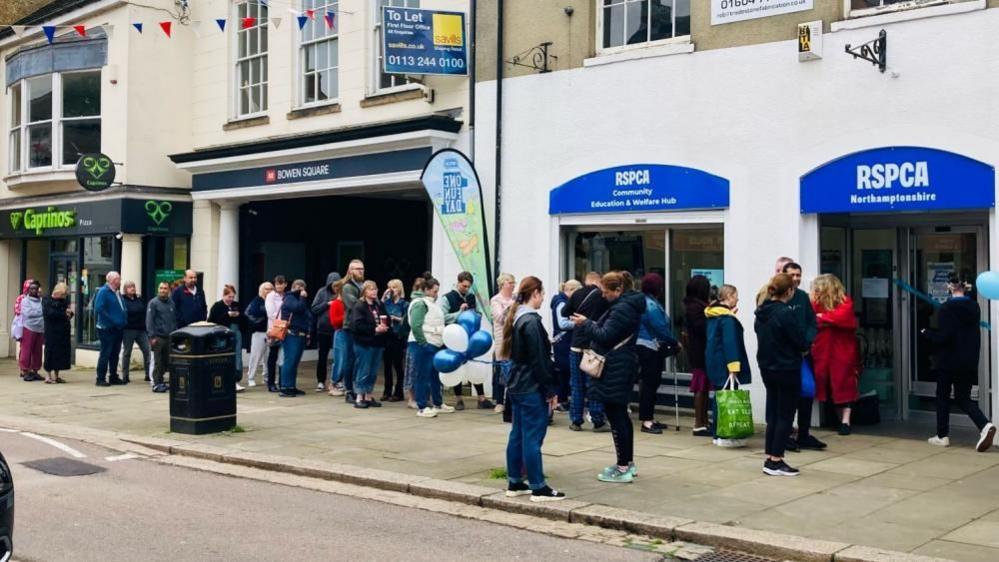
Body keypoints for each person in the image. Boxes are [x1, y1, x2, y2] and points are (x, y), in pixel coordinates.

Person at [571, 272, 645, 483]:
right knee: (620, 414)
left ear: (618, 290)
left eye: (605, 292)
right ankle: (627, 463)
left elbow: (605, 335)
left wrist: (586, 324)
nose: (603, 296)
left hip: (615, 367)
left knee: (616, 416)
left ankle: (623, 467)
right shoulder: (627, 306)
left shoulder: (623, 309)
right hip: (620, 365)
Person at [503, 276, 566, 502]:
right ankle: (538, 487)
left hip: (518, 385)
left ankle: (515, 481)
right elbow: (540, 360)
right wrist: (550, 390)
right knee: (532, 436)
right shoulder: (531, 322)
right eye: (542, 294)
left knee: (518, 434)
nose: (543, 298)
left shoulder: (519, 319)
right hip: (531, 386)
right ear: (536, 293)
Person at [923, 274, 995, 451]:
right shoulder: (974, 306)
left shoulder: (947, 308)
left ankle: (942, 435)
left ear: (950, 287)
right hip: (969, 360)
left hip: (948, 360)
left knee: (942, 396)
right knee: (963, 397)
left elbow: (944, 338)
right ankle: (984, 425)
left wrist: (927, 333)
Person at [755, 274, 810, 477]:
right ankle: (776, 460)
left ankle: (771, 455)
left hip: (767, 366)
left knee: (775, 413)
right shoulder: (785, 313)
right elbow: (800, 341)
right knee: (785, 414)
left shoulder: (762, 312)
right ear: (789, 291)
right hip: (786, 367)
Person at [810, 274, 861, 436]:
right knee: (825, 382)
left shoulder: (845, 302)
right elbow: (814, 319)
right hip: (823, 349)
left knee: (843, 383)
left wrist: (823, 318)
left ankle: (845, 421)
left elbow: (842, 318)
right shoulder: (815, 302)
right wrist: (827, 320)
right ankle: (838, 419)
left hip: (841, 350)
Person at [782, 261, 822, 452]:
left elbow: (811, 323)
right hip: (785, 356)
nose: (796, 278)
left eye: (798, 275)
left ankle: (803, 434)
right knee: (787, 396)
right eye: (792, 275)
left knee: (807, 391)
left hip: (803, 354)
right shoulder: (775, 298)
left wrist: (806, 343)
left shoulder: (803, 297)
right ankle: (786, 435)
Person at [705, 285, 752, 447]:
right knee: (726, 399)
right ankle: (725, 434)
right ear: (729, 296)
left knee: (720, 398)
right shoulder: (727, 319)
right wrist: (734, 368)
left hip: (715, 362)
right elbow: (730, 343)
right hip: (726, 364)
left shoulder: (714, 316)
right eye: (736, 296)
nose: (737, 299)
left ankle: (717, 434)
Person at [562, 272, 610, 432]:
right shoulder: (603, 296)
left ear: (586, 281)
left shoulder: (577, 294)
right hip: (593, 345)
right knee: (594, 383)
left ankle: (576, 420)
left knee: (576, 384)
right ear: (598, 281)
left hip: (576, 344)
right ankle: (597, 420)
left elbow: (564, 312)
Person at [440, 271, 494, 410]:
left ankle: (481, 398)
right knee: (457, 365)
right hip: (454, 337)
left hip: (470, 336)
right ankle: (459, 399)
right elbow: (443, 317)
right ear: (458, 282)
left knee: (474, 364)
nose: (466, 289)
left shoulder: (471, 297)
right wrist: (459, 312)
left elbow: (474, 314)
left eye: (468, 286)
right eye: (464, 286)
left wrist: (477, 315)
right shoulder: (447, 298)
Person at [636, 273, 679, 435]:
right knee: (650, 384)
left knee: (649, 384)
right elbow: (660, 326)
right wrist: (674, 341)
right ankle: (646, 421)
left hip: (645, 346)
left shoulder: (644, 301)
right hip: (650, 347)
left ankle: (649, 418)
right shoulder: (650, 305)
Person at [408, 275, 454, 417]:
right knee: (422, 374)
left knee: (435, 375)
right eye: (434, 291)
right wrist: (423, 343)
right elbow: (416, 325)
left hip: (434, 343)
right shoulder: (419, 303)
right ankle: (422, 406)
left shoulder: (432, 305)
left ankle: (438, 402)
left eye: (437, 291)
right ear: (426, 290)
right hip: (422, 343)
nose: (436, 294)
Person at [349, 280, 389, 409]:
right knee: (364, 369)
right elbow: (356, 325)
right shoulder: (359, 305)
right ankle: (359, 396)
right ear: (364, 291)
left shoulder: (379, 304)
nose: (374, 291)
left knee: (373, 370)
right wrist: (374, 328)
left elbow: (386, 317)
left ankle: (368, 395)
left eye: (375, 289)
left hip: (377, 342)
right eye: (371, 289)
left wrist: (385, 325)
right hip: (364, 342)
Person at [684, 275, 713, 436]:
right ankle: (698, 423)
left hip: (699, 351)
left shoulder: (695, 305)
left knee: (703, 387)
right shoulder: (696, 308)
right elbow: (700, 327)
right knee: (700, 387)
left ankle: (704, 421)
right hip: (699, 352)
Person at [550, 279, 581, 413]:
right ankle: (561, 401)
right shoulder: (561, 303)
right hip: (563, 343)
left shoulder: (562, 301)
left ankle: (562, 400)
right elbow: (563, 324)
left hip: (563, 342)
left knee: (564, 372)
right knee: (563, 372)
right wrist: (579, 323)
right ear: (571, 290)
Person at [209, 284, 247, 393]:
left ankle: (235, 380)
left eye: (232, 297)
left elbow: (244, 321)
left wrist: (238, 315)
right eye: (229, 297)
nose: (231, 299)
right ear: (224, 296)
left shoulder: (237, 305)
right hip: (221, 335)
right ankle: (221, 379)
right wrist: (227, 315)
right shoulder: (217, 306)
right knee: (222, 356)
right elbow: (212, 321)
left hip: (236, 335)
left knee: (237, 356)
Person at [278, 279, 312, 397]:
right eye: (298, 287)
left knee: (295, 362)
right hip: (291, 334)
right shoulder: (289, 298)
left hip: (300, 334)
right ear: (293, 287)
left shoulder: (298, 299)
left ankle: (291, 386)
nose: (300, 290)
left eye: (302, 288)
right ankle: (285, 387)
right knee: (290, 360)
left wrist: (308, 332)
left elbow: (307, 315)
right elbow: (299, 309)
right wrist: (303, 298)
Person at [339, 260, 365, 403]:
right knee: (350, 359)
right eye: (357, 269)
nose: (360, 271)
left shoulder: (363, 286)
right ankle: (349, 390)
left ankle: (357, 389)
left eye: (362, 268)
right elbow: (354, 305)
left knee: (359, 360)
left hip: (361, 327)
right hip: (350, 327)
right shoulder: (348, 287)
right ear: (350, 271)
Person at [491, 273, 517, 414]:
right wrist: (512, 307)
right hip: (502, 340)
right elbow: (499, 317)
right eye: (510, 282)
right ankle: (499, 401)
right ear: (502, 284)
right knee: (501, 371)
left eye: (514, 282)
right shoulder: (496, 300)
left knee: (514, 370)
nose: (513, 285)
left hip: (516, 338)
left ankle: (511, 401)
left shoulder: (515, 299)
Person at [94, 272, 126, 387]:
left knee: (115, 353)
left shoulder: (117, 292)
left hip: (118, 328)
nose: (120, 281)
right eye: (118, 279)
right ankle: (100, 378)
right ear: (112, 280)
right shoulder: (104, 291)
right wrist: (113, 320)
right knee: (105, 353)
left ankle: (113, 376)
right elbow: (99, 309)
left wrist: (123, 319)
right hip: (106, 328)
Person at [311, 271, 342, 392]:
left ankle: (338, 380)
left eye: (337, 285)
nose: (335, 287)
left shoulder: (343, 292)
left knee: (339, 357)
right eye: (333, 285)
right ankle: (320, 381)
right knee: (322, 356)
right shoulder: (322, 292)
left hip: (338, 329)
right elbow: (314, 308)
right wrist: (327, 304)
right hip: (323, 329)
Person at [146, 281, 178, 393]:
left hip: (169, 337)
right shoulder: (153, 303)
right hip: (158, 337)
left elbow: (174, 320)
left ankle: (162, 381)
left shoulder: (171, 303)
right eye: (161, 288)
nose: (163, 290)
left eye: (165, 288)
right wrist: (151, 336)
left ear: (169, 290)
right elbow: (149, 321)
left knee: (166, 361)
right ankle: (156, 383)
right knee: (157, 362)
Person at [381, 279, 409, 402]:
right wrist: (383, 296)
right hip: (387, 335)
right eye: (389, 287)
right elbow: (379, 308)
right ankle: (387, 391)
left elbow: (406, 320)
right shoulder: (387, 302)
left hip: (398, 336)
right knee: (387, 365)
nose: (391, 290)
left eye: (394, 287)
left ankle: (399, 392)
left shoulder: (404, 304)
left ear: (399, 288)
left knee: (397, 365)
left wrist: (396, 318)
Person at [120, 281, 150, 385]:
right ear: (125, 289)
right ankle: (125, 375)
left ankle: (148, 374)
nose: (132, 289)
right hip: (129, 329)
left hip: (141, 329)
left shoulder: (139, 299)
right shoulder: (123, 300)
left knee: (147, 350)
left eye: (133, 286)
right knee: (127, 352)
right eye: (129, 287)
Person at [244, 282, 272, 388]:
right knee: (256, 357)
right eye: (266, 289)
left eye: (270, 289)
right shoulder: (257, 300)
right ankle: (251, 377)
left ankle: (267, 377)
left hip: (271, 332)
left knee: (269, 357)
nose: (269, 291)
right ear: (261, 291)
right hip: (259, 332)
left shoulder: (272, 300)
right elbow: (251, 313)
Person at [42, 282, 72, 384]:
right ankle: (48, 375)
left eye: (64, 295)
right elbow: (50, 313)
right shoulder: (47, 300)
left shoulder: (63, 301)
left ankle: (57, 375)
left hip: (62, 330)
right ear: (57, 292)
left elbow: (68, 313)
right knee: (50, 351)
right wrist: (64, 313)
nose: (63, 297)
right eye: (62, 294)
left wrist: (70, 313)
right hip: (51, 330)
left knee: (60, 353)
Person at [18, 281, 45, 382]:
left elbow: (44, 311)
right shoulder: (25, 301)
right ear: (28, 290)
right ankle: (25, 371)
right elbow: (28, 313)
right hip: (29, 328)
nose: (33, 290)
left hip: (40, 328)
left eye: (36, 288)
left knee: (38, 351)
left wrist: (39, 312)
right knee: (27, 350)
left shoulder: (42, 300)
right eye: (31, 288)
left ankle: (35, 371)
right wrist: (40, 312)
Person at [264, 275, 287, 393]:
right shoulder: (271, 296)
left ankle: (283, 382)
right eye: (277, 283)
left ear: (285, 284)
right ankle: (271, 383)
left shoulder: (287, 296)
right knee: (272, 357)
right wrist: (281, 323)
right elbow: (271, 313)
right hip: (275, 329)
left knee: (283, 357)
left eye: (281, 283)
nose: (279, 286)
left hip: (285, 329)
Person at [328, 278, 349, 397]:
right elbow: (334, 322)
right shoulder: (336, 303)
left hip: (349, 333)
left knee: (348, 359)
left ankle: (345, 383)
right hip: (341, 332)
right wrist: (347, 316)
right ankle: (334, 383)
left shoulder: (347, 304)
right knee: (340, 359)